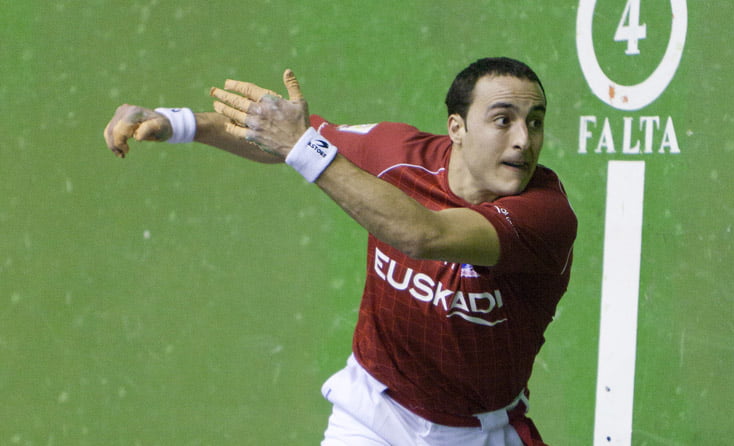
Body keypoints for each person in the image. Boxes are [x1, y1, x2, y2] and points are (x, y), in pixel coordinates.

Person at [104, 57, 577, 446]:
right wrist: (175, 122)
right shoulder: (396, 153)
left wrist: (301, 145)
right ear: (457, 127)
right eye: (503, 120)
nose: (524, 139)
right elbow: (278, 140)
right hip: (373, 414)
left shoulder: (545, 215)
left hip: (478, 433)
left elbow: (424, 235)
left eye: (535, 122)